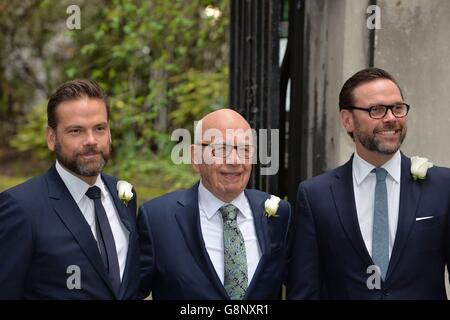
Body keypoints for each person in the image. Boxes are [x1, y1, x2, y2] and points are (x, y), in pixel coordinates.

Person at [287, 67, 450, 299]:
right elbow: (305, 291)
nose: (391, 118)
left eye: (397, 108)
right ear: (347, 120)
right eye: (377, 110)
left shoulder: (443, 186)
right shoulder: (315, 196)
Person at [0, 79, 140, 299]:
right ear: (51, 138)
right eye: (76, 131)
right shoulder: (20, 208)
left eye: (100, 128)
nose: (91, 140)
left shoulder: (125, 195)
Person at [138, 108, 291, 299]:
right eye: (221, 149)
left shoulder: (279, 215)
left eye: (244, 149)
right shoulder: (158, 220)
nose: (234, 160)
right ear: (195, 157)